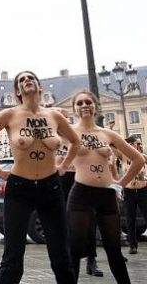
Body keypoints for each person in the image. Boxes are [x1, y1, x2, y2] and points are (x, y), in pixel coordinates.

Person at [0, 70, 79, 284]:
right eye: (21, 80)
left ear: (39, 87)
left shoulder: (54, 116)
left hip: (51, 187)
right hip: (20, 188)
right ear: (18, 91)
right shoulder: (9, 115)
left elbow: (75, 141)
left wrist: (64, 165)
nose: (26, 80)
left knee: (61, 253)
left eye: (30, 78)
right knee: (13, 255)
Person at [67, 91, 143, 283]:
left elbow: (138, 159)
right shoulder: (69, 132)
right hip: (81, 193)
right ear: (74, 108)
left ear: (96, 107)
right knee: (75, 249)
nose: (85, 105)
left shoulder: (107, 134)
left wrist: (120, 184)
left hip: (106, 194)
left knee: (114, 250)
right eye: (80, 103)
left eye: (89, 102)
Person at [52, 105, 102, 277]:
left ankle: (91, 260)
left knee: (89, 221)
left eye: (64, 116)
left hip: (80, 179)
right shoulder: (50, 138)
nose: (61, 120)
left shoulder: (77, 136)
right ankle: (69, 261)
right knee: (64, 224)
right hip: (59, 183)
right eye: (57, 116)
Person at [122, 135, 147, 255]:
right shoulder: (123, 156)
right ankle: (133, 245)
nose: (140, 146)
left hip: (143, 190)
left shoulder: (143, 157)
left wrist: (145, 178)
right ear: (131, 144)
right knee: (130, 219)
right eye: (138, 143)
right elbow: (113, 145)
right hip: (129, 192)